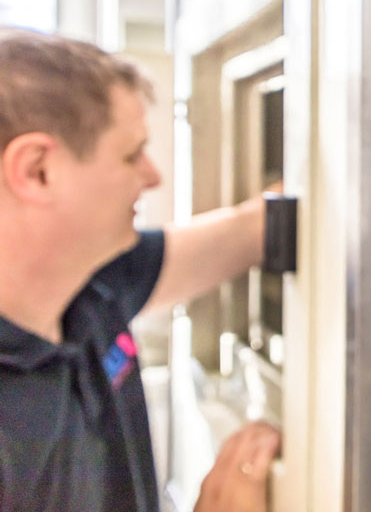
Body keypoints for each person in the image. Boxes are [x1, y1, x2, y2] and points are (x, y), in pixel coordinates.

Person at [0, 27, 281, 512]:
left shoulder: (93, 283)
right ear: (37, 170)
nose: (153, 176)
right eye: (131, 155)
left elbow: (254, 229)